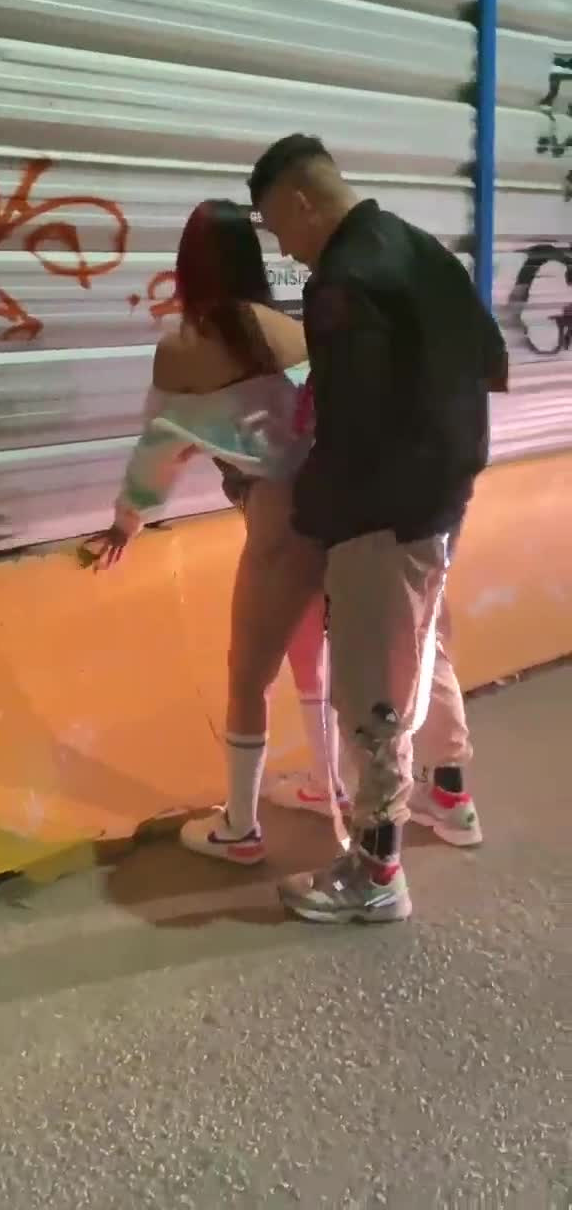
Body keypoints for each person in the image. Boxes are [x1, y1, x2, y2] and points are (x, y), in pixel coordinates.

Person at [247, 134, 509, 923]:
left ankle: (375, 869)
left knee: (372, 693)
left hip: (383, 514)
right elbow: (491, 356)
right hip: (443, 498)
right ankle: (449, 792)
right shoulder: (419, 248)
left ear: (301, 202)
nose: (283, 249)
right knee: (422, 646)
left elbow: (350, 428)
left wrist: (311, 516)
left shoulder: (344, 280)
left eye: (277, 227)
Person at [81, 199, 350, 863]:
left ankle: (240, 830)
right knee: (310, 653)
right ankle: (326, 782)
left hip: (276, 522)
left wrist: (126, 521)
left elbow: (160, 448)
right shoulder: (289, 331)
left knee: (247, 675)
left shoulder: (183, 348)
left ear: (189, 266)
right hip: (335, 512)